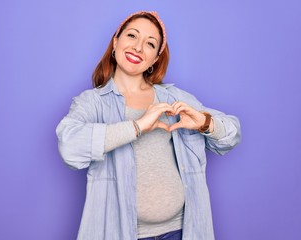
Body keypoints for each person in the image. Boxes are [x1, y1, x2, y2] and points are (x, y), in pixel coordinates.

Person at [56, 11, 241, 240]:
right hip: (121, 233)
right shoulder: (92, 102)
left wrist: (205, 123)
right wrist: (137, 126)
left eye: (150, 44)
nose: (138, 47)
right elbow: (69, 145)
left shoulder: (172, 99)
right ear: (116, 42)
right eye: (132, 36)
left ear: (155, 59)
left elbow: (231, 134)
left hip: (181, 231)